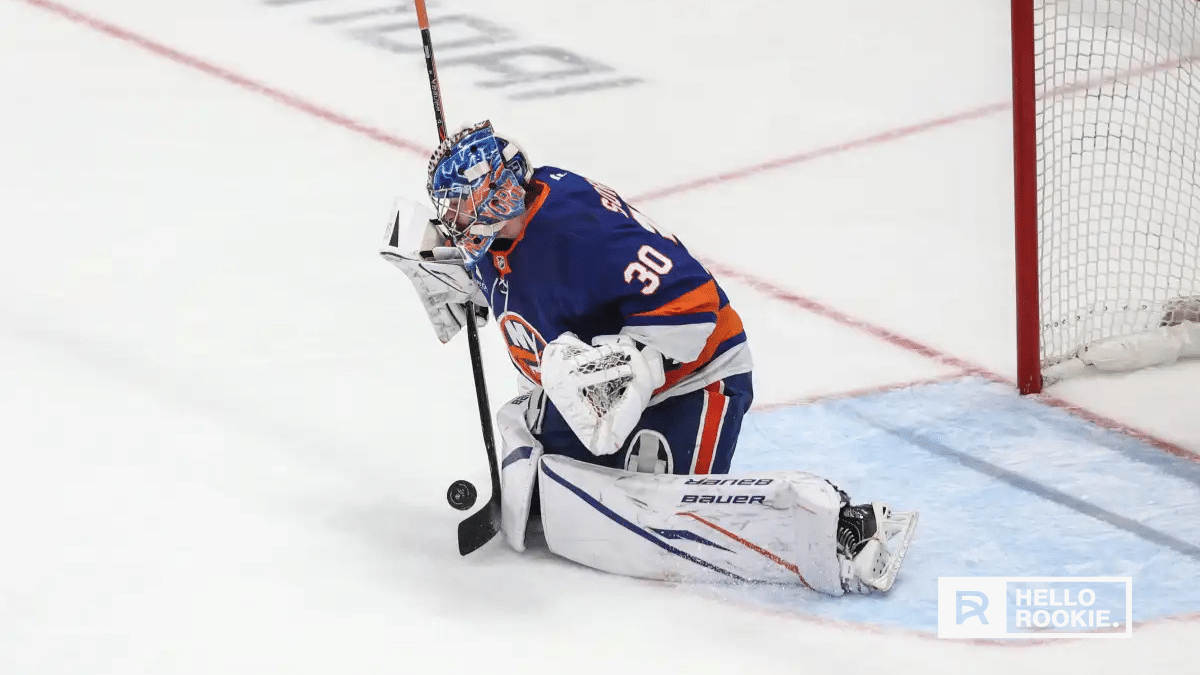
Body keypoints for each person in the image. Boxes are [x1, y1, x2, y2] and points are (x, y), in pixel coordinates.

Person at [381, 120, 917, 594]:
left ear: (495, 198)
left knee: (654, 513)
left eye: (459, 206)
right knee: (559, 483)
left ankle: (836, 531)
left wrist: (618, 374)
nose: (452, 220)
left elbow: (693, 301)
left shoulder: (578, 231)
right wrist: (464, 283)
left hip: (697, 379)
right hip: (632, 383)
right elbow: (528, 286)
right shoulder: (510, 230)